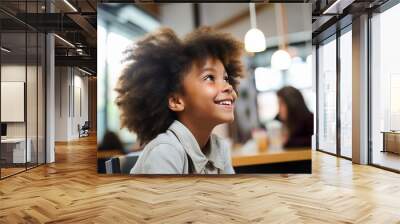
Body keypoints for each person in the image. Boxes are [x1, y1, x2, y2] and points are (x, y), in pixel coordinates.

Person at [115, 27, 244, 174]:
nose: (228, 87)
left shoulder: (220, 148)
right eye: (209, 77)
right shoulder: (165, 151)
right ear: (176, 101)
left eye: (226, 78)